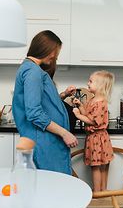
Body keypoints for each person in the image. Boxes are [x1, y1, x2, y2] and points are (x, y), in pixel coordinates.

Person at [12, 30, 78, 175]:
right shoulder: (33, 72)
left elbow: (43, 102)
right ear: (48, 49)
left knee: (52, 186)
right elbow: (34, 113)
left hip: (45, 139)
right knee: (54, 187)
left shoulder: (30, 68)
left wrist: (63, 95)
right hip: (44, 140)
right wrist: (64, 133)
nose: (56, 57)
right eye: (56, 52)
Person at [72, 70, 115, 192]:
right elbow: (88, 114)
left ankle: (98, 192)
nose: (88, 83)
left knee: (97, 166)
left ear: (100, 86)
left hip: (97, 137)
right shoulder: (93, 100)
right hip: (96, 138)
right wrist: (80, 105)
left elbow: (93, 121)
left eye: (91, 81)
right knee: (100, 165)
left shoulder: (101, 103)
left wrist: (78, 116)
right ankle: (101, 191)